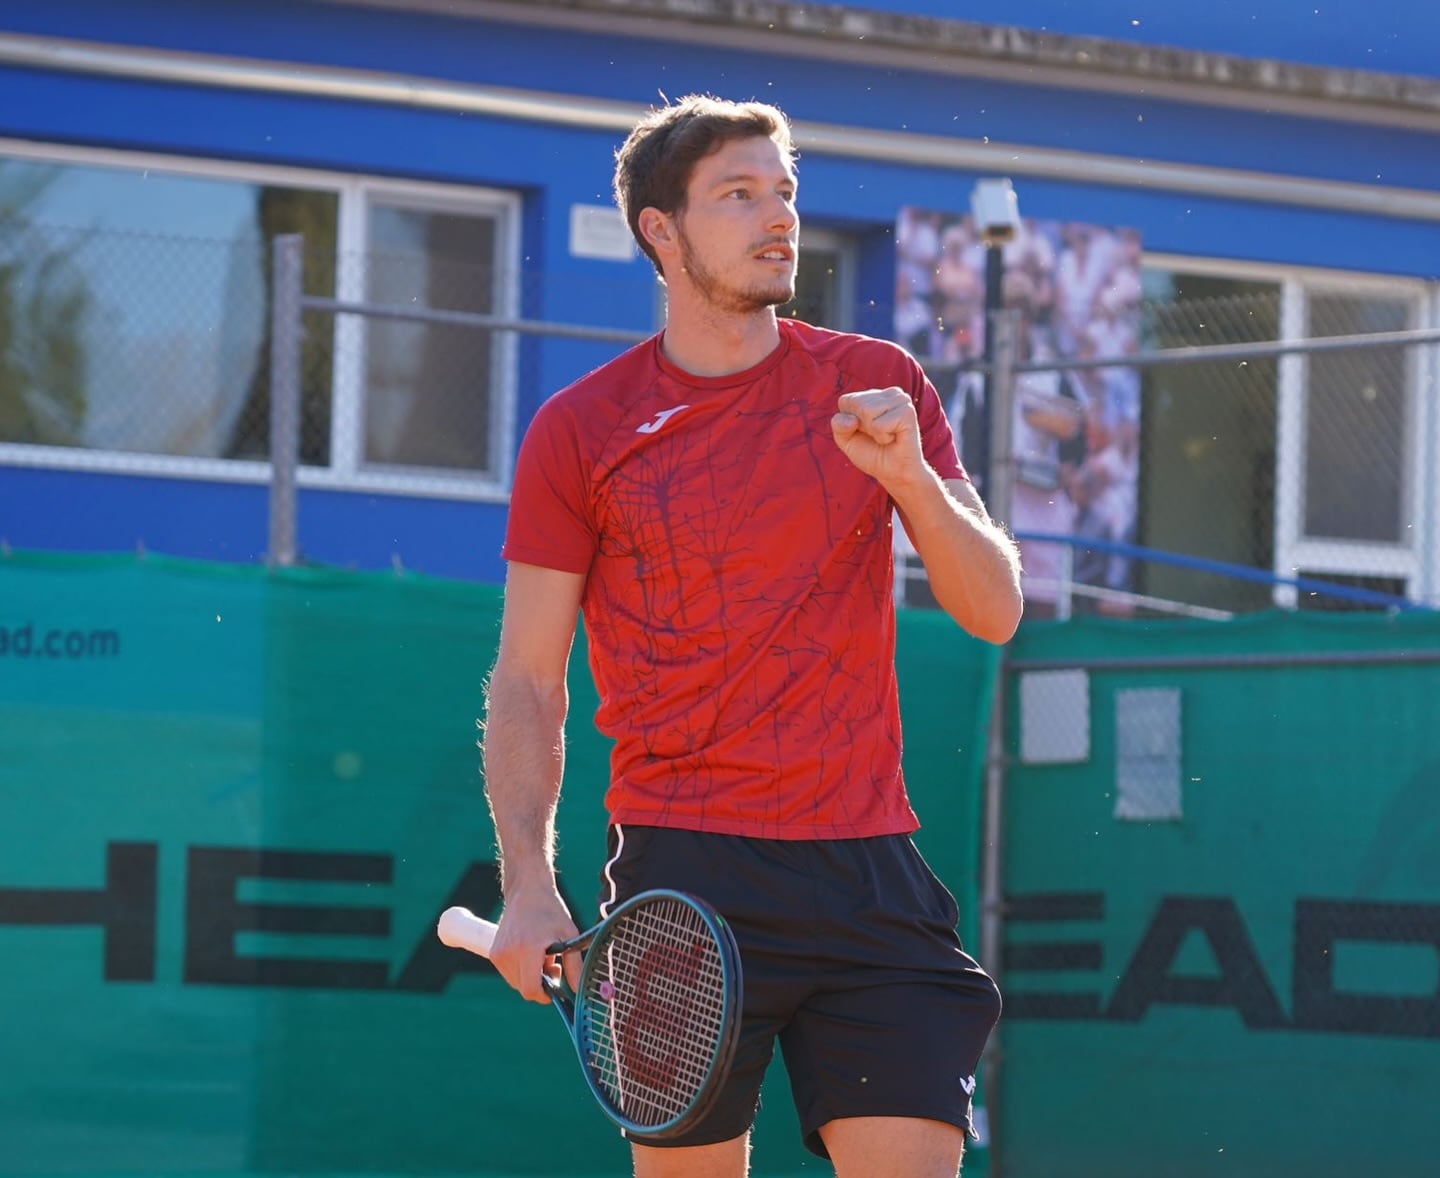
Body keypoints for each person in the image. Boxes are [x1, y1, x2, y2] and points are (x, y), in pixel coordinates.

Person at [481, 94, 1024, 1178]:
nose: (776, 216)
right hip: (685, 875)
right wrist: (530, 886)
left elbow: (995, 608)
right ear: (661, 231)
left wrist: (910, 479)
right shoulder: (581, 431)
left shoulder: (879, 389)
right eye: (738, 194)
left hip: (872, 869)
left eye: (783, 191)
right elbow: (532, 682)